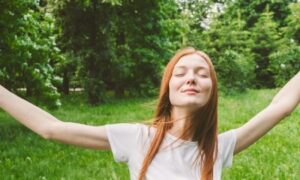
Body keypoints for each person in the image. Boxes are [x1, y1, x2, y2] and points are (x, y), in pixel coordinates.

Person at [0, 47, 299, 180]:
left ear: (212, 92)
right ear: (168, 89)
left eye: (201, 73)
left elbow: (280, 107)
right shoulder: (138, 138)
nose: (191, 78)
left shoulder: (218, 149)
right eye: (180, 72)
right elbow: (51, 128)